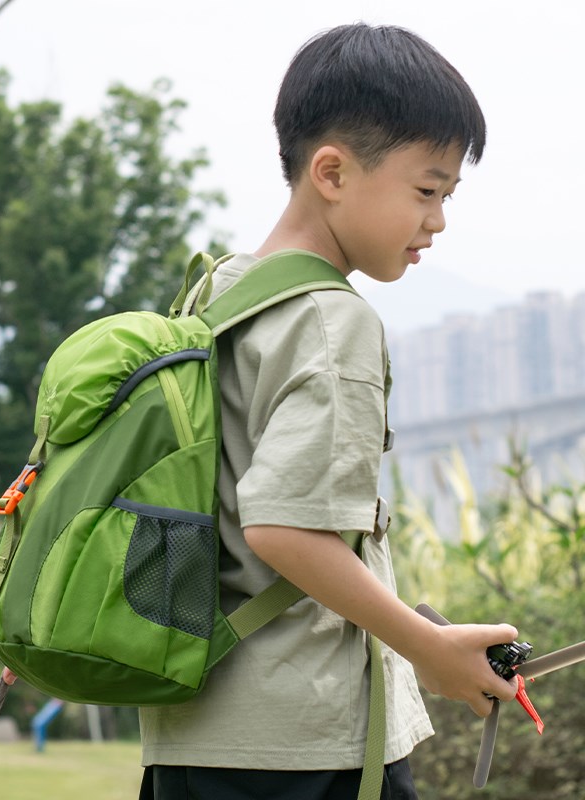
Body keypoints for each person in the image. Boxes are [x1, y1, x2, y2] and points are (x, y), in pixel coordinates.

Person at [138, 22, 519, 800]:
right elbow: (284, 528)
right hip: (306, 748)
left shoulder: (217, 294)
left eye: (447, 195)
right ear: (333, 172)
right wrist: (428, 648)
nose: (437, 221)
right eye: (425, 189)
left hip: (193, 729)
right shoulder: (330, 322)